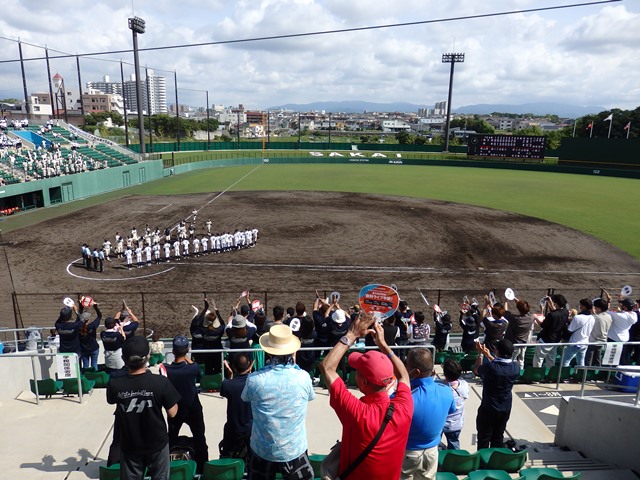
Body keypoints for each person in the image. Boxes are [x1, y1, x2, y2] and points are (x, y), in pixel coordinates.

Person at [319, 312, 413, 480]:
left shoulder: (357, 412)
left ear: (363, 382)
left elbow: (327, 367)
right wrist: (383, 344)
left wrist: (352, 334)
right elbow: (404, 377)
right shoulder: (404, 407)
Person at [241, 325, 315, 479]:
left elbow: (245, 398)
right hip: (294, 448)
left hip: (263, 447)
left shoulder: (255, 379)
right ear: (292, 350)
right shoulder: (303, 377)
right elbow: (310, 396)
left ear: (267, 351)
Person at [107, 336, 180, 480]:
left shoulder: (115, 384)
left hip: (130, 443)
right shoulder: (160, 382)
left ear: (124, 358)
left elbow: (111, 400)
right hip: (157, 442)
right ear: (148, 357)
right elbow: (173, 412)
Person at [402, 348, 456, 480]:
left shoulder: (404, 397)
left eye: (406, 364)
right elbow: (451, 410)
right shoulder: (446, 390)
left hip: (408, 452)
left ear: (416, 371)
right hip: (432, 451)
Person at [160, 336, 208, 473]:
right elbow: (200, 372)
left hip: (175, 409)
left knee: (171, 438)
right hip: (193, 408)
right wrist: (187, 357)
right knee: (200, 439)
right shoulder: (192, 368)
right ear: (187, 350)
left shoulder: (167, 369)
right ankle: (203, 467)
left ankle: (167, 467)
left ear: (173, 351)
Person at [473, 339, 520, 449]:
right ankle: (496, 461)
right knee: (498, 437)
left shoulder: (490, 368)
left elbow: (476, 370)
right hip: (505, 408)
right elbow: (501, 366)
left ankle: (483, 463)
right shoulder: (515, 367)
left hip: (489, 408)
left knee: (484, 438)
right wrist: (489, 356)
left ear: (497, 351)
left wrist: (480, 354)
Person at [220, 353, 254, 461]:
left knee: (226, 455)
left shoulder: (227, 384)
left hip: (233, 427)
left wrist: (230, 375)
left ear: (233, 367)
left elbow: (224, 391)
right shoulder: (254, 383)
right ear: (249, 365)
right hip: (250, 427)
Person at [440, 358, 469, 450]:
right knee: (454, 443)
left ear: (444, 373)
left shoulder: (439, 387)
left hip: (441, 423)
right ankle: (454, 461)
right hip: (456, 424)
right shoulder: (464, 384)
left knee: (435, 444)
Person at [533, 294, 569, 368]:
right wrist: (550, 303)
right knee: (551, 360)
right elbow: (557, 312)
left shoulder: (551, 315)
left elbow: (543, 325)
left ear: (556, 303)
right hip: (555, 340)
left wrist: (536, 318)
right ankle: (550, 376)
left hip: (545, 340)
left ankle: (536, 375)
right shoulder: (566, 312)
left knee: (538, 359)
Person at [563, 298, 595, 367]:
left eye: (581, 305)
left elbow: (570, 330)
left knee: (565, 361)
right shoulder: (592, 318)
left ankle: (562, 376)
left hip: (575, 343)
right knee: (581, 361)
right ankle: (581, 376)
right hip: (585, 343)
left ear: (584, 306)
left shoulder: (577, 317)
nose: (580, 307)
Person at [504, 299, 535, 368]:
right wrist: (514, 298)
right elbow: (525, 309)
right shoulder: (531, 317)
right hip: (523, 342)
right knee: (521, 360)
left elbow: (505, 312)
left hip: (513, 344)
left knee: (511, 360)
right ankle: (520, 372)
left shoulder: (515, 319)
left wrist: (506, 301)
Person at [585, 298, 612, 366]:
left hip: (593, 341)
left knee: (588, 359)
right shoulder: (608, 316)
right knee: (597, 358)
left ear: (599, 308)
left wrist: (592, 312)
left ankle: (586, 372)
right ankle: (598, 371)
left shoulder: (595, 317)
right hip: (602, 340)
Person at [79, 302, 103, 370]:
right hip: (94, 348)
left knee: (85, 366)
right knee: (94, 365)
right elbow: (99, 316)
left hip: (83, 349)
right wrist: (95, 306)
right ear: (88, 320)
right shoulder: (92, 326)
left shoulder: (78, 327)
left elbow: (77, 320)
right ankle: (95, 378)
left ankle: (85, 379)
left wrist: (81, 307)